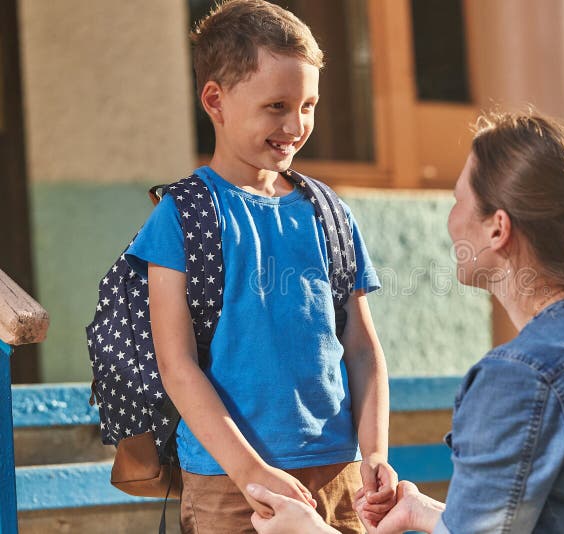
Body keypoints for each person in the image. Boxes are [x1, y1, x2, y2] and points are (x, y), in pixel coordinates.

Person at [246, 110, 564, 533]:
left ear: (498, 228)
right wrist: (428, 514)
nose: (450, 220)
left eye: (458, 199)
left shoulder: (523, 377)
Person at [124, 1, 396, 532]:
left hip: (339, 479)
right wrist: (253, 472)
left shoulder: (330, 213)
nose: (296, 125)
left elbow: (363, 350)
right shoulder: (181, 218)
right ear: (215, 100)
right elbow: (177, 366)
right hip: (231, 485)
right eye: (277, 105)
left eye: (310, 105)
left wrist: (376, 452)